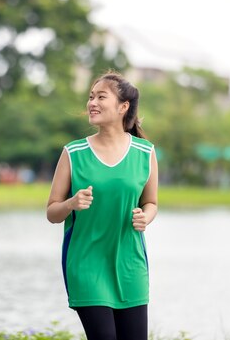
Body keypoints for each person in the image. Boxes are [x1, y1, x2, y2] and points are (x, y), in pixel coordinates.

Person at [46, 71, 158, 340]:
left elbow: (151, 202)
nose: (92, 103)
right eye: (90, 97)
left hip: (131, 266)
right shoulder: (73, 153)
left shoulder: (145, 152)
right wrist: (72, 203)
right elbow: (52, 212)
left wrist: (146, 216)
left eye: (101, 97)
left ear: (123, 107)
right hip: (87, 265)